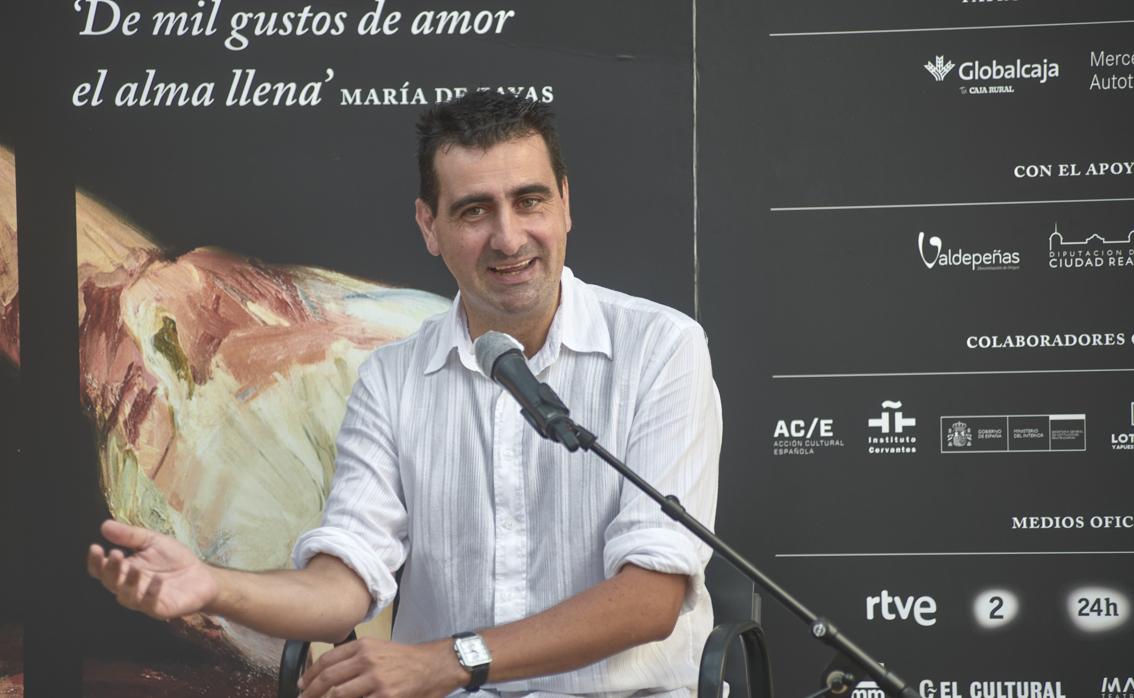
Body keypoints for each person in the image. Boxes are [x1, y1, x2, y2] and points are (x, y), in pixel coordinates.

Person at [88, 91, 722, 698]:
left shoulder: (662, 347)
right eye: (474, 211)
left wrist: (447, 661)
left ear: (564, 205)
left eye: (529, 201)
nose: (508, 237)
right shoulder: (391, 378)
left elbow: (649, 598)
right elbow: (344, 582)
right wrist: (210, 584)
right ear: (429, 226)